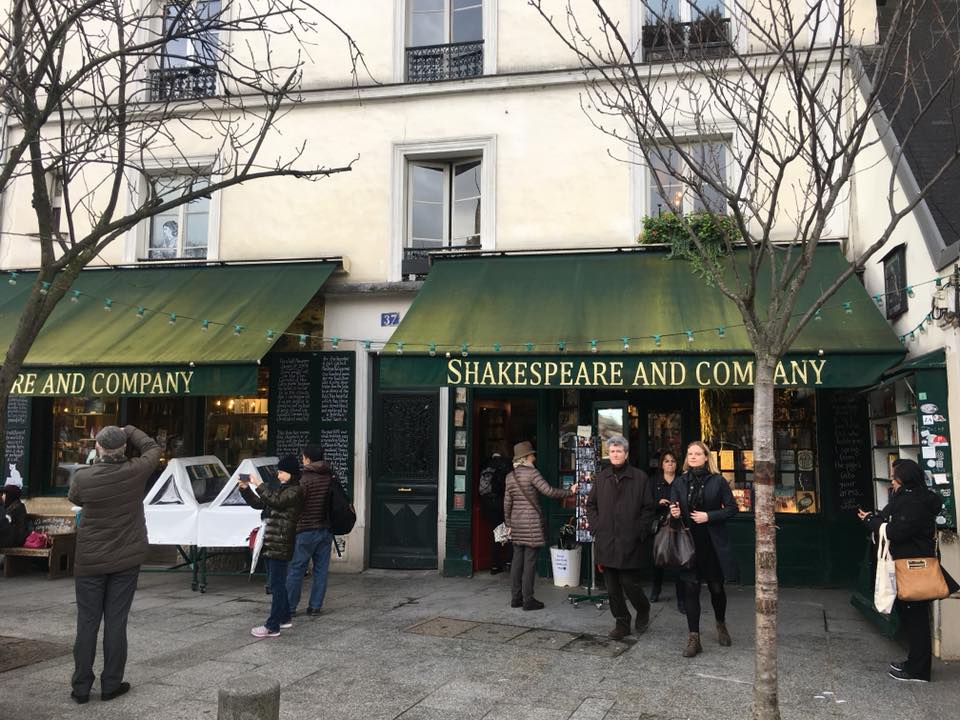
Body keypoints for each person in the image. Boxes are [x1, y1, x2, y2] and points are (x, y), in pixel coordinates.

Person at [68, 425, 160, 704]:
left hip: (90, 561)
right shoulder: (135, 471)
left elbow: (75, 499)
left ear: (98, 447)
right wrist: (130, 429)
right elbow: (154, 448)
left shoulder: (83, 477)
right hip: (125, 558)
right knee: (116, 623)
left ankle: (81, 687)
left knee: (86, 624)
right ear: (123, 448)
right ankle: (111, 683)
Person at [858, 458, 959, 682]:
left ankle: (919, 670)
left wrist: (873, 523)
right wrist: (874, 518)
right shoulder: (911, 498)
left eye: (895, 479)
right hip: (907, 563)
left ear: (906, 480)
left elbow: (896, 531)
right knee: (911, 614)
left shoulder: (913, 503)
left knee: (916, 617)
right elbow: (890, 518)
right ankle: (915, 662)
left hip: (912, 565)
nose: (892, 482)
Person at [669, 440, 738, 657]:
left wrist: (709, 516)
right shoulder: (680, 482)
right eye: (690, 454)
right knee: (691, 588)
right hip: (689, 543)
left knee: (716, 588)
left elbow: (732, 509)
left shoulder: (717, 481)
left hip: (712, 543)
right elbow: (674, 508)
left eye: (697, 454)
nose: (693, 457)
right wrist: (674, 513)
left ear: (706, 457)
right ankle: (694, 637)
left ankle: (720, 623)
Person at [586, 435, 657, 640]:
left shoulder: (639, 477)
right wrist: (596, 526)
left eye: (619, 451)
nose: (615, 454)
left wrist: (640, 531)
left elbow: (648, 508)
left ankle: (643, 608)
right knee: (612, 587)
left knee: (629, 583)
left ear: (626, 454)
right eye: (612, 451)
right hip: (606, 540)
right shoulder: (602, 478)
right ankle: (622, 622)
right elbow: (591, 506)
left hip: (630, 540)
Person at [504, 440, 577, 610]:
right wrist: (570, 492)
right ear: (526, 457)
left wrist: (508, 523)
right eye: (532, 454)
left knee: (517, 560)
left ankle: (516, 598)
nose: (534, 457)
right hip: (531, 524)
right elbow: (549, 491)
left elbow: (507, 503)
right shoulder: (532, 473)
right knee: (530, 561)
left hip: (516, 523)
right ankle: (528, 600)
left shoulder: (510, 476)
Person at [240, 455, 303, 638]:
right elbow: (261, 503)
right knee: (277, 584)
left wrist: (258, 483)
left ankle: (272, 626)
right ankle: (284, 618)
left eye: (282, 471)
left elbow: (276, 501)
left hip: (280, 543)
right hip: (271, 541)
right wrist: (246, 490)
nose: (279, 474)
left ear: (291, 473)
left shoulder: (296, 491)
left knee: (276, 585)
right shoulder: (281, 488)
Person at [286, 445, 334, 617]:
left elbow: (296, 504)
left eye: (303, 457)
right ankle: (315, 606)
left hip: (305, 529)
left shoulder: (304, 478)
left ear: (308, 459)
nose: (302, 459)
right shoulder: (330, 476)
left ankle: (290, 607)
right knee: (321, 570)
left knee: (296, 569)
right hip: (325, 530)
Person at [651, 450, 684, 612]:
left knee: (679, 562)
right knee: (659, 559)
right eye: (666, 461)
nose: (670, 463)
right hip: (660, 525)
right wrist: (658, 503)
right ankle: (656, 589)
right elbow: (646, 503)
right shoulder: (654, 482)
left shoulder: (682, 481)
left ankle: (681, 598)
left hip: (678, 525)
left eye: (672, 461)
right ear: (662, 464)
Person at [478, 450, 512, 574]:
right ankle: (508, 561)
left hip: (487, 505)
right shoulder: (504, 465)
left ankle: (494, 565)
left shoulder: (485, 464)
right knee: (507, 532)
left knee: (496, 534)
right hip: (501, 503)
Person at [1, 483, 28, 547]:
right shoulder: (10, 506)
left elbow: (5, 522)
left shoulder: (17, 507)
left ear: (10, 495)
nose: (2, 496)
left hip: (16, 538)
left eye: (5, 494)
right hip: (10, 537)